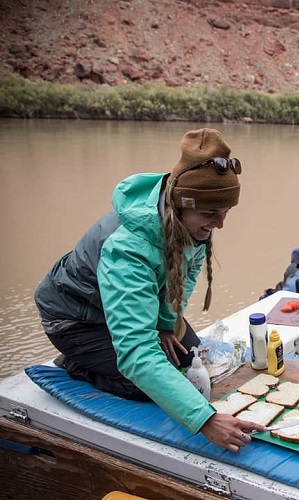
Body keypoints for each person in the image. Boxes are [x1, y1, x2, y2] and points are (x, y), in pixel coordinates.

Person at [34, 128, 264, 451]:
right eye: (211, 214)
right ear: (183, 204)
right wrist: (206, 421)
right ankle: (78, 362)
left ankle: (108, 350)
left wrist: (167, 324)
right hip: (76, 319)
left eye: (225, 213)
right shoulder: (129, 249)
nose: (220, 224)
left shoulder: (190, 222)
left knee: (190, 361)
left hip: (120, 303)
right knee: (153, 384)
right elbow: (138, 353)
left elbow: (187, 271)